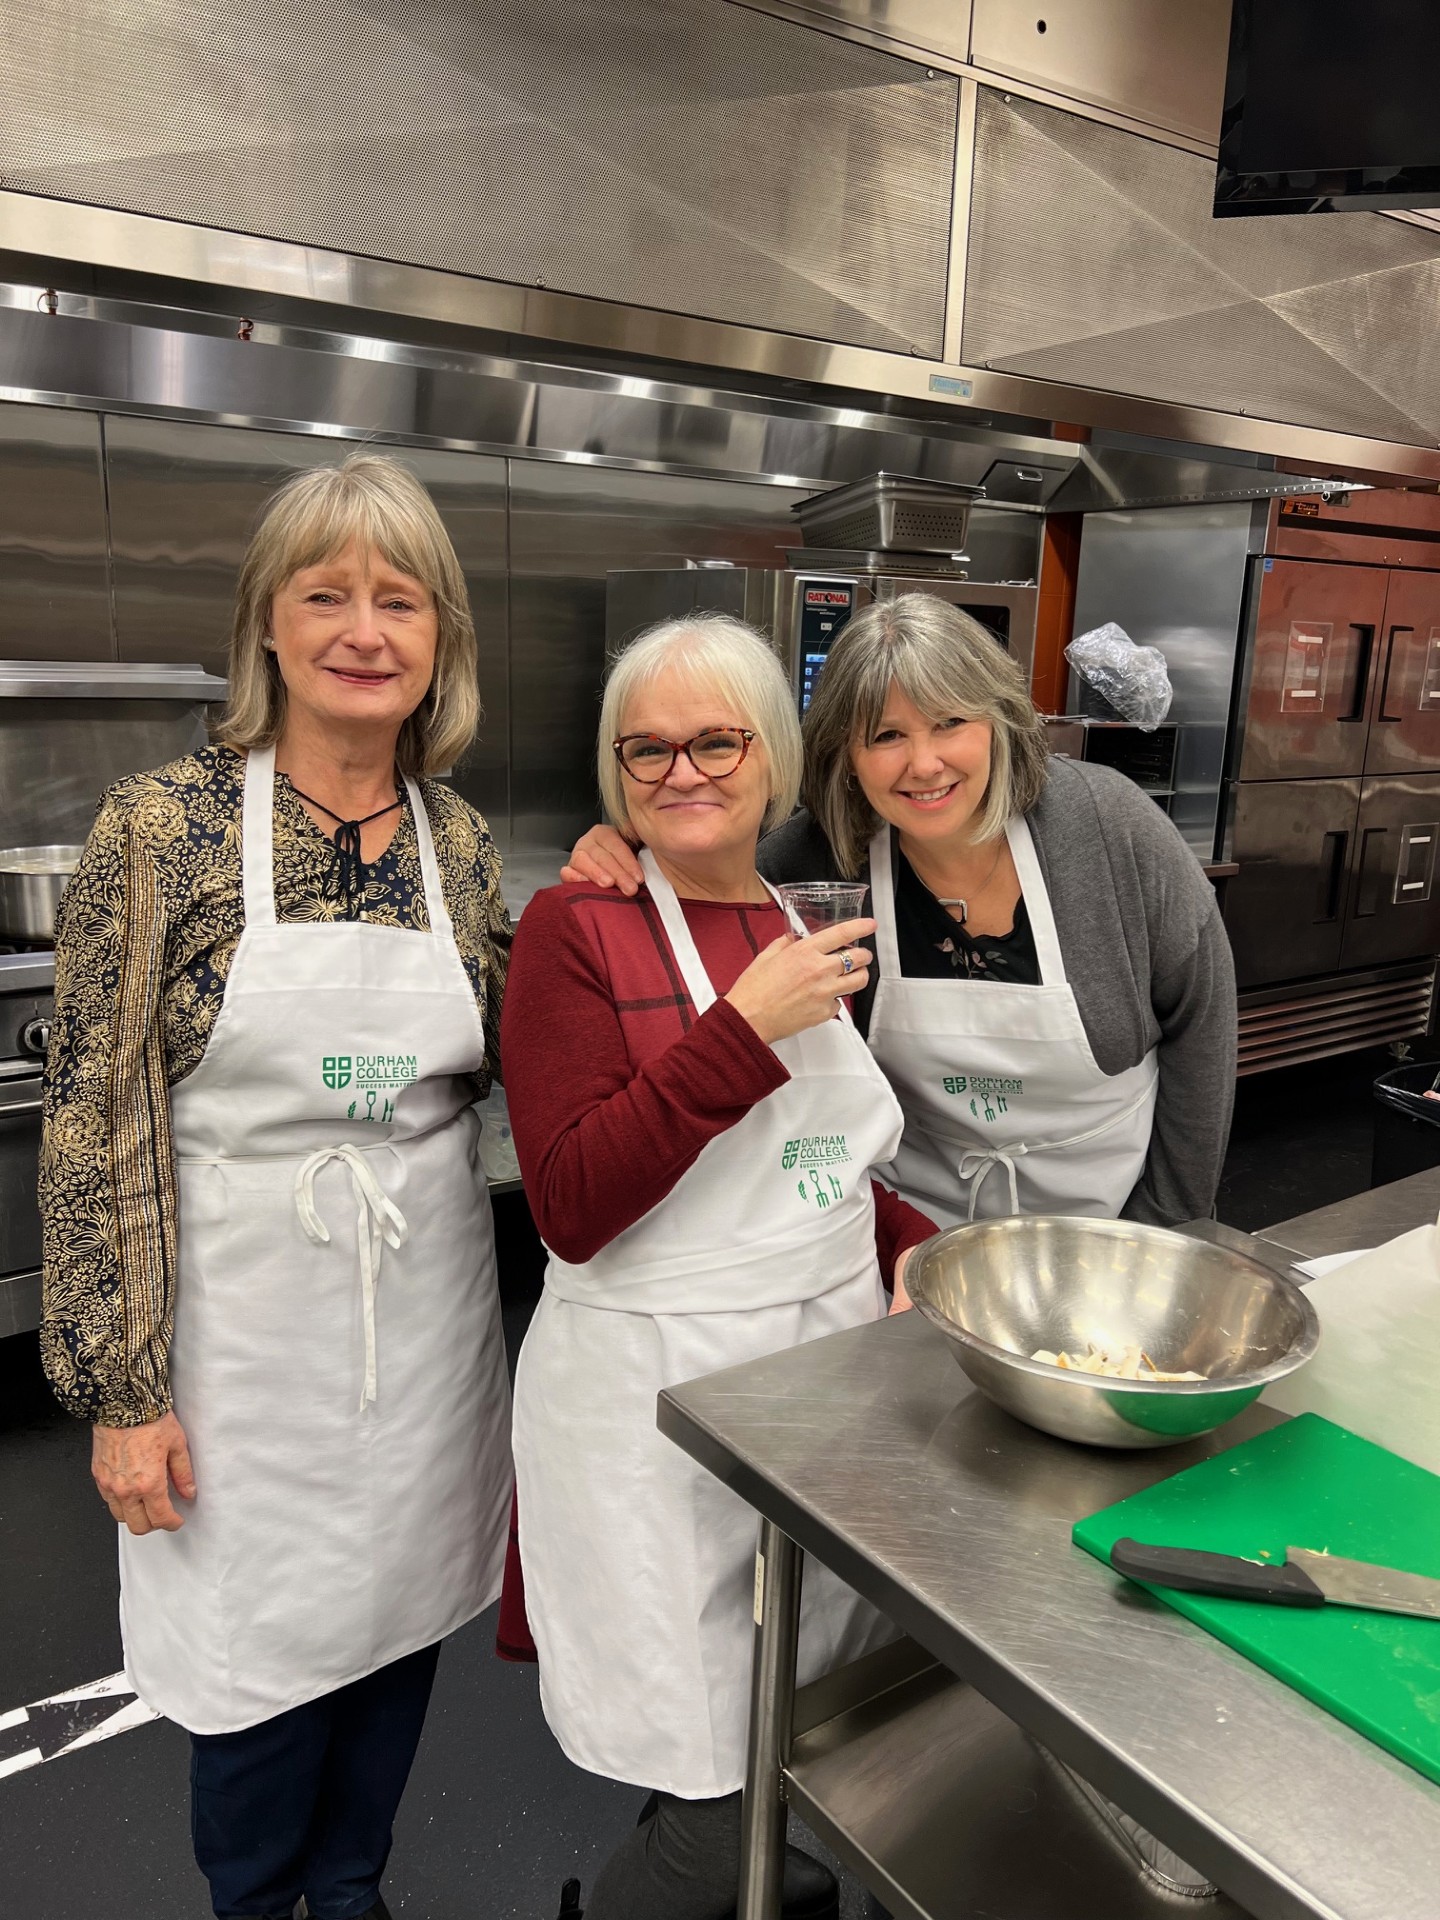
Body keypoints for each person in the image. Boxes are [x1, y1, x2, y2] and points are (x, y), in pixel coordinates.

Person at [40, 454, 513, 1920]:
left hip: (426, 1327)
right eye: (328, 594)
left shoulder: (466, 844)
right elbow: (95, 1121)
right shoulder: (162, 831)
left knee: (401, 1624)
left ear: (440, 639)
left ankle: (354, 1889)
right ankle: (256, 1902)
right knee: (252, 1670)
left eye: (400, 598)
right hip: (237, 1347)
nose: (365, 629)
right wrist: (123, 1389)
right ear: (269, 624)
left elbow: (517, 1076)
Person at [502, 614, 937, 1920]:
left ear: (775, 758)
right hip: (658, 1418)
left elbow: (818, 1173)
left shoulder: (790, 922)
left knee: (801, 1752)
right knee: (716, 1809)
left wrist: (910, 1249)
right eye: (646, 749)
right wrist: (740, 1030)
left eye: (715, 741)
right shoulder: (577, 926)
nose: (680, 772)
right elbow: (576, 1202)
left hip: (815, 1409)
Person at [564, 593, 1237, 1268]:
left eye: (950, 722)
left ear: (1000, 722)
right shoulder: (814, 865)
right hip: (913, 1249)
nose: (924, 764)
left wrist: (1163, 1237)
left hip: (1114, 1231)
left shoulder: (1108, 829)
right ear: (845, 755)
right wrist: (628, 848)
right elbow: (706, 863)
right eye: (887, 736)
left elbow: (1203, 1036)